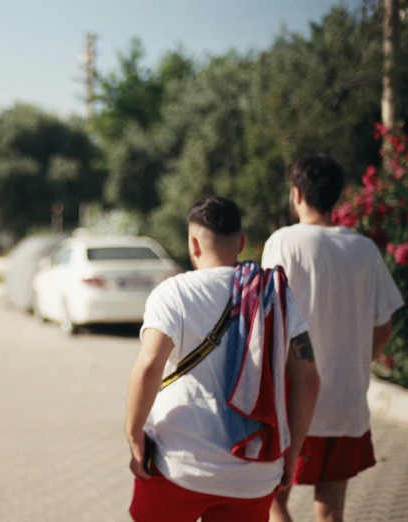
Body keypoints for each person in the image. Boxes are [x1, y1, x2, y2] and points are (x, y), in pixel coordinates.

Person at [125, 196, 321, 522]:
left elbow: (149, 366)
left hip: (179, 465)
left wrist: (133, 435)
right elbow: (309, 379)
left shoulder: (174, 292)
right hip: (254, 473)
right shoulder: (275, 293)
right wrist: (292, 452)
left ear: (193, 244)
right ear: (242, 242)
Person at [262, 155, 404, 522]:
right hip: (347, 401)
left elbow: (266, 319)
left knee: (272, 498)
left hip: (294, 401)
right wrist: (355, 363)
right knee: (330, 508)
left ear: (296, 194)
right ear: (337, 197)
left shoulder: (284, 243)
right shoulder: (364, 249)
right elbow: (384, 326)